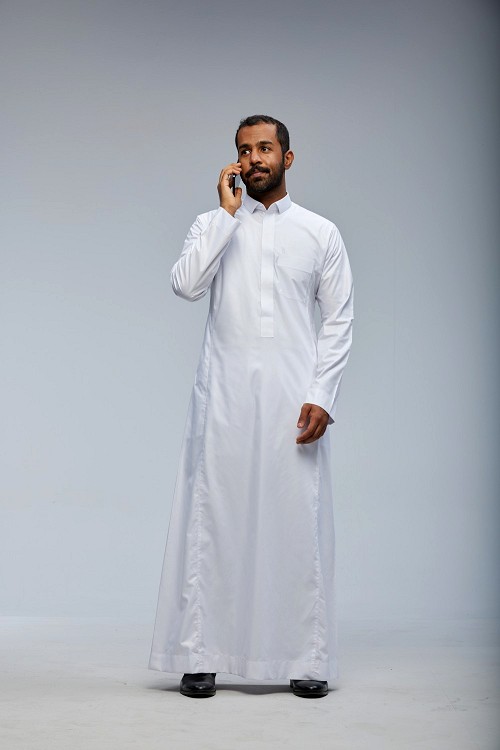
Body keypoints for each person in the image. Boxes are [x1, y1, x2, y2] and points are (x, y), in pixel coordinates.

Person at [149, 114, 354, 699]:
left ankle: (305, 658)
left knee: (297, 520)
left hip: (294, 398)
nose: (254, 158)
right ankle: (201, 654)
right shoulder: (213, 223)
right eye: (245, 150)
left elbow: (338, 319)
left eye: (265, 148)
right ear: (235, 161)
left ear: (288, 158)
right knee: (213, 519)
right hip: (225, 395)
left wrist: (322, 395)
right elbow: (186, 285)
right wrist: (226, 215)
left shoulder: (320, 232)